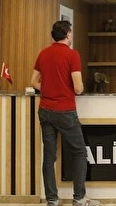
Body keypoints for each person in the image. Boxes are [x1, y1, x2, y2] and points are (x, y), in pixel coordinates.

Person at [30, 20, 99, 206]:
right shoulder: (72, 55)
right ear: (68, 34)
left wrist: (48, 89)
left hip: (45, 110)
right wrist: (66, 88)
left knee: (49, 156)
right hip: (65, 111)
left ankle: (52, 199)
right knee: (79, 152)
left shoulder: (43, 54)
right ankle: (79, 198)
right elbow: (78, 88)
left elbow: (33, 82)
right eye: (71, 32)